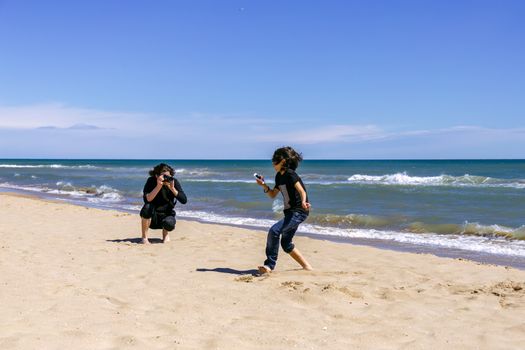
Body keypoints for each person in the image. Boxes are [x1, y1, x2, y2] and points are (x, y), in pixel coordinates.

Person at [255, 146, 313, 273]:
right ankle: (307, 267)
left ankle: (269, 265)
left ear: (283, 161)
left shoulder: (290, 174)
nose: (272, 161)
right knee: (286, 244)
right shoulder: (279, 176)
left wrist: (304, 201)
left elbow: (302, 191)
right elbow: (272, 195)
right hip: (290, 213)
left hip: (299, 211)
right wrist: (263, 185)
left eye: (275, 159)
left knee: (274, 231)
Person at [140, 163, 187, 244]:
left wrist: (172, 188)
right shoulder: (151, 181)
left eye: (168, 176)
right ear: (156, 176)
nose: (166, 179)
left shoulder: (174, 182)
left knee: (169, 223)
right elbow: (147, 199)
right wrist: (158, 186)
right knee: (147, 207)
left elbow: (184, 200)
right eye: (163, 176)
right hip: (152, 216)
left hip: (166, 214)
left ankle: (165, 235)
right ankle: (144, 237)